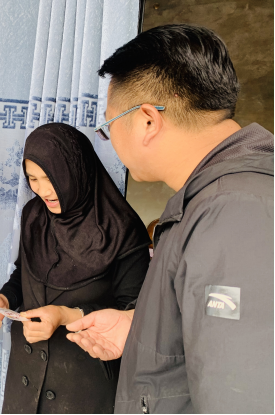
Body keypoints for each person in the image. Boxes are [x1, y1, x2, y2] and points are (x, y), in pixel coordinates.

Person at [67, 24, 274, 414]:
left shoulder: (236, 213)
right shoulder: (216, 202)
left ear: (147, 120)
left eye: (109, 126)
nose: (111, 140)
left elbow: (245, 395)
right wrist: (143, 330)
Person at [0, 123, 151, 414]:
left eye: (51, 177)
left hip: (83, 385)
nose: (43, 190)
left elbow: (135, 312)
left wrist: (66, 315)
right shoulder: (34, 215)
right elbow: (23, 273)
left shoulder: (122, 229)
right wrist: (3, 300)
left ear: (76, 170)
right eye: (33, 179)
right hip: (25, 380)